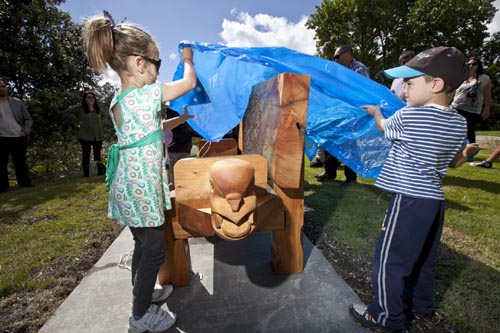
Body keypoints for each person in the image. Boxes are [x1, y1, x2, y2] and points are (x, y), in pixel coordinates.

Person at [350, 47, 480, 333]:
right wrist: (468, 153)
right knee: (423, 259)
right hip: (434, 203)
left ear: (436, 85)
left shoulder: (409, 116)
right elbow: (455, 162)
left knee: (389, 261)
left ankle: (385, 317)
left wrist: (377, 112)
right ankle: (420, 308)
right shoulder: (459, 124)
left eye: (409, 83)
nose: (404, 90)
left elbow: (383, 127)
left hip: (408, 200)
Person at [83, 11, 196, 333]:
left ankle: (142, 294)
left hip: (127, 189)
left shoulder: (119, 100)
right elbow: (189, 82)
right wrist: (187, 58)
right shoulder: (150, 94)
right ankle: (140, 314)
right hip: (143, 190)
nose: (159, 70)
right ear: (138, 63)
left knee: (141, 247)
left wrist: (181, 119)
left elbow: (152, 128)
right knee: (155, 251)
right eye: (157, 63)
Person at [314, 45, 370, 184]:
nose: (335, 59)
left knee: (351, 144)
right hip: (338, 112)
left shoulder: (359, 69)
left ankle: (351, 177)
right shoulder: (338, 72)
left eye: (337, 56)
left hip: (353, 114)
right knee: (331, 139)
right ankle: (329, 171)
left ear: (348, 54)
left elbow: (361, 92)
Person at [0, 78, 34, 193]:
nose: (1, 89)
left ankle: (25, 183)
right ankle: (3, 187)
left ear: (6, 88)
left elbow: (28, 119)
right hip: (2, 138)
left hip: (18, 136)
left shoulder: (17, 102)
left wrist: (25, 131)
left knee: (20, 162)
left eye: (3, 86)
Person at [451, 57, 492, 144]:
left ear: (479, 66)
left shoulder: (484, 78)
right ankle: (455, 152)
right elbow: (453, 91)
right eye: (469, 64)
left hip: (472, 109)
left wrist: (487, 108)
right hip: (456, 106)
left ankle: (470, 153)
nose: (471, 66)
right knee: (453, 130)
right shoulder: (461, 77)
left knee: (469, 130)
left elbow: (487, 95)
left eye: (474, 64)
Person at [71, 91, 106, 177]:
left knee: (97, 155)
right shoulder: (80, 108)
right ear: (85, 99)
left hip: (98, 136)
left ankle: (99, 171)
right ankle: (86, 173)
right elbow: (67, 112)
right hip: (85, 135)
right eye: (89, 97)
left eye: (93, 97)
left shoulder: (97, 108)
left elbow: (105, 115)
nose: (91, 99)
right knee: (86, 155)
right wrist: (77, 121)